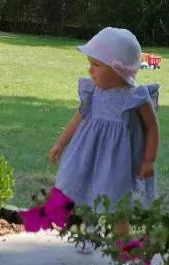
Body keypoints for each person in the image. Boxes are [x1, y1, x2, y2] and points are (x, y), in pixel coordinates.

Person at [48, 27, 160, 253]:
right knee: (83, 196)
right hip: (87, 156)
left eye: (96, 65)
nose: (90, 70)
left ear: (118, 69)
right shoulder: (93, 92)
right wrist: (61, 143)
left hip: (116, 163)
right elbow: (78, 118)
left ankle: (126, 251)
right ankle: (89, 234)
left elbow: (152, 127)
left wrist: (149, 160)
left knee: (116, 208)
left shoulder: (136, 97)